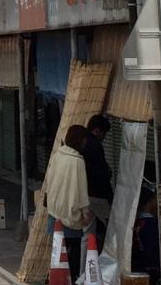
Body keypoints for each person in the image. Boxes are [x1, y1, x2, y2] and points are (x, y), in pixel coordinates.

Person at [45, 125, 93, 270]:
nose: (85, 143)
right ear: (80, 140)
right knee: (71, 256)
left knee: (56, 253)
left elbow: (49, 180)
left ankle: (54, 280)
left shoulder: (57, 155)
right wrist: (86, 214)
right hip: (69, 215)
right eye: (84, 139)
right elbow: (81, 190)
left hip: (54, 212)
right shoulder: (77, 161)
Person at [83, 113, 114, 244]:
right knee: (113, 227)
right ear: (97, 131)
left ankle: (86, 263)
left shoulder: (82, 143)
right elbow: (101, 173)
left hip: (85, 194)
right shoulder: (95, 145)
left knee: (88, 234)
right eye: (103, 134)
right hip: (98, 195)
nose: (103, 137)